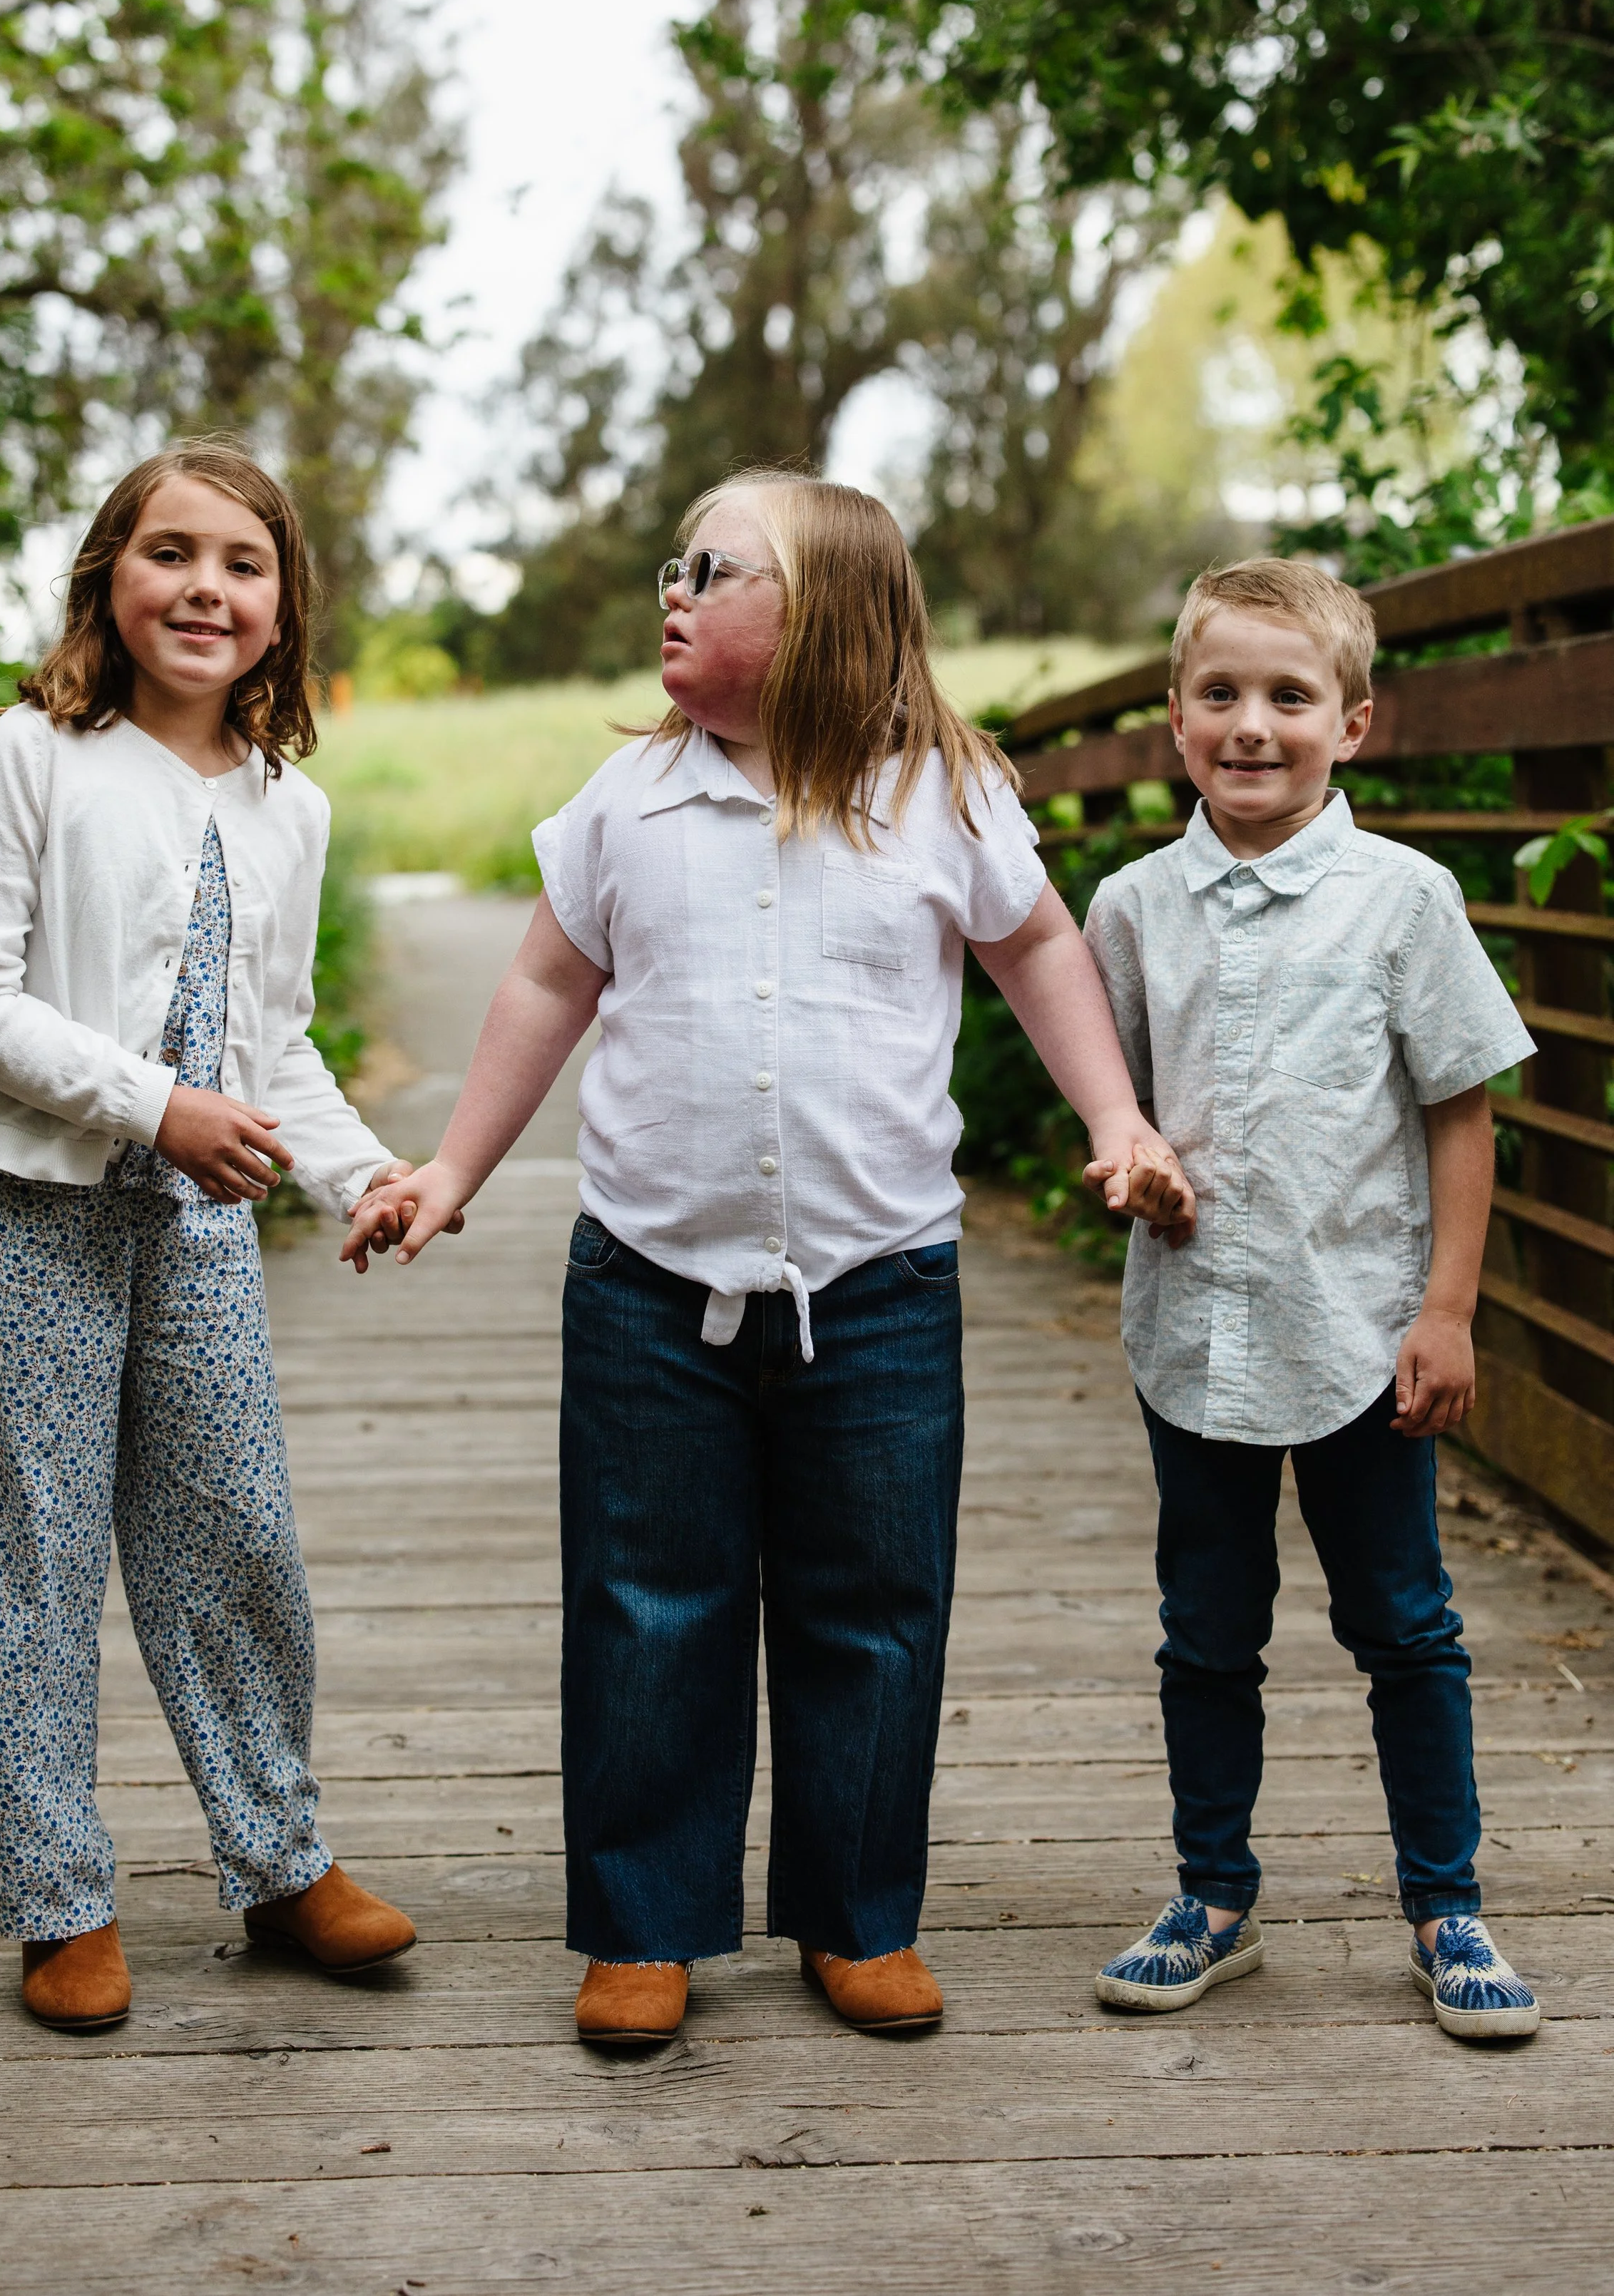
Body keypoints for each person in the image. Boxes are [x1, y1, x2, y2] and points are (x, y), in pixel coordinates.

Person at [342, 471, 1193, 2045]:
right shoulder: (626, 805)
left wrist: (1116, 1116)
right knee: (644, 1602)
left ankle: (856, 1912)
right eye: (672, 565)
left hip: (879, 1284)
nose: (670, 588)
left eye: (711, 569)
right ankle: (646, 1922)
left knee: (870, 1602)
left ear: (824, 618)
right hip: (647, 1286)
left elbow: (1036, 949)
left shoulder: (938, 794)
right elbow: (543, 984)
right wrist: (455, 1165)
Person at [0, 436, 420, 2031]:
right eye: (171, 553)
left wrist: (359, 1174)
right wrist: (154, 1105)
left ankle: (277, 1862)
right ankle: (58, 1897)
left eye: (243, 564)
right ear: (107, 577)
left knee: (234, 1542)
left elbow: (275, 1050)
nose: (206, 588)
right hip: (17, 1216)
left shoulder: (291, 809)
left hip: (193, 1240)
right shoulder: (26, 761)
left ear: (283, 609)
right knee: (38, 1558)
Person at [1084, 556, 1541, 2041]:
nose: (1251, 725)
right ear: (1171, 717)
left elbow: (1458, 1110)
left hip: (1359, 1335)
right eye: (1218, 693)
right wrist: (1134, 1168)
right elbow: (1118, 1103)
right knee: (1203, 1629)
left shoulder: (1402, 901)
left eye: (1289, 697)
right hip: (1193, 1332)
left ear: (1352, 722)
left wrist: (1448, 1310)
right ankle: (1210, 1895)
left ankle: (1444, 1905)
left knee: (1402, 1625)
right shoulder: (1131, 906)